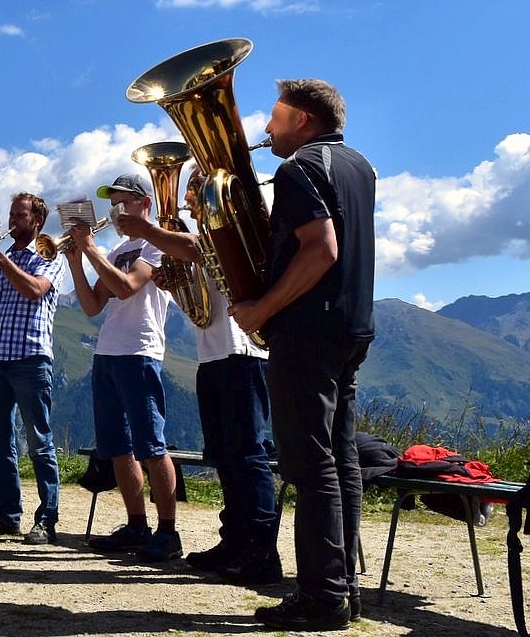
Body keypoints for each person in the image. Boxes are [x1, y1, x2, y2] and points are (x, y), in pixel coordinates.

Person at [228, 79, 376, 631]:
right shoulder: (359, 165)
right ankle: (343, 589)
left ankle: (320, 597)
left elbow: (321, 249)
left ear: (304, 121)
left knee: (309, 464)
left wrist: (264, 307)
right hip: (351, 327)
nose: (266, 130)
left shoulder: (297, 170)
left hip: (307, 331)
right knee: (339, 462)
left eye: (276, 118)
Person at [117, 170, 280, 582]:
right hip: (213, 354)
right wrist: (173, 280)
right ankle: (236, 540)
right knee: (224, 455)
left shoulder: (231, 226)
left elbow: (195, 249)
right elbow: (197, 282)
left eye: (192, 191)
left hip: (242, 351)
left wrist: (147, 231)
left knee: (247, 454)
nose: (186, 201)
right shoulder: (206, 233)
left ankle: (262, 551)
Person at [65, 174, 182, 562]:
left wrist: (90, 248)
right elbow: (93, 305)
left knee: (152, 445)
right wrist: (76, 261)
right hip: (108, 352)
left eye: (122, 202)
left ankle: (168, 532)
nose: (116, 211)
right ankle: (136, 525)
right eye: (113, 204)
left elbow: (128, 287)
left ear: (143, 203)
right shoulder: (115, 250)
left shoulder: (155, 242)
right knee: (117, 448)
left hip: (140, 351)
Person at [0, 192, 65, 545]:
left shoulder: (48, 255)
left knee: (39, 441)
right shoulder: (1, 261)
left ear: (37, 221)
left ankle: (47, 519)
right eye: (10, 214)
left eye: (19, 215)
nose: (12, 221)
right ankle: (8, 516)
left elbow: (35, 289)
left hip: (32, 360)